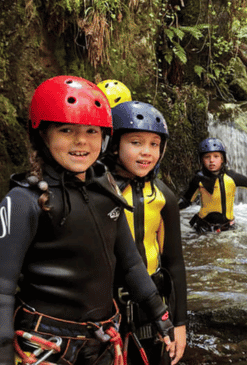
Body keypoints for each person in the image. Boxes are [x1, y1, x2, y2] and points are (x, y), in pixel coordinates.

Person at [0, 76, 174, 365]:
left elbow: (130, 262)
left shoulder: (106, 191)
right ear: (42, 134)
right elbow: (2, 286)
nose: (81, 141)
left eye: (92, 131)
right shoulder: (24, 201)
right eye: (67, 130)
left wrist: (160, 314)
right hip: (44, 345)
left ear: (105, 138)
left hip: (103, 340)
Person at [104, 101, 188, 365]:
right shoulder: (99, 191)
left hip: (152, 306)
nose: (147, 153)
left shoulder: (164, 196)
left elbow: (174, 263)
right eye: (136, 142)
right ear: (115, 145)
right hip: (107, 305)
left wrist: (180, 323)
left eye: (154, 144)